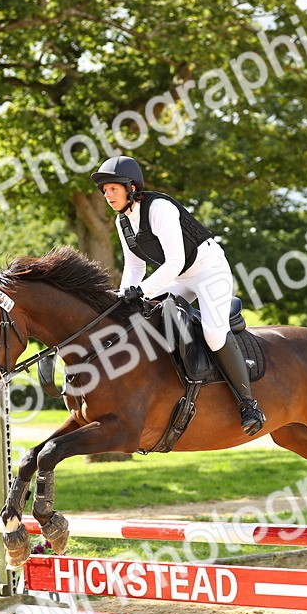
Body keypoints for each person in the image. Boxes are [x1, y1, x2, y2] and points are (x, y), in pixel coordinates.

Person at [90, 155, 265, 436]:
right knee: (139, 316)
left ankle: (249, 404)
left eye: (112, 188)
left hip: (209, 271)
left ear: (131, 187)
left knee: (213, 334)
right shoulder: (123, 221)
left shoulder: (159, 208)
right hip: (179, 277)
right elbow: (134, 267)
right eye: (104, 190)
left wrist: (143, 291)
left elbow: (173, 262)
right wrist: (123, 298)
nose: (107, 195)